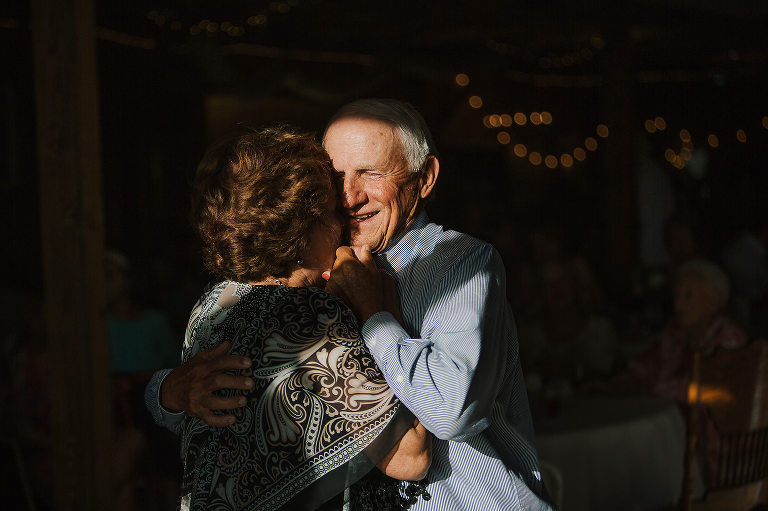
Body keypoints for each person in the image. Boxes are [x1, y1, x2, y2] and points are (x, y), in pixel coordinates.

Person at [146, 100, 551, 510]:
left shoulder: (460, 263)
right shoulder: (300, 282)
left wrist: (375, 317)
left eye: (371, 174)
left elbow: (452, 413)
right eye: (334, 177)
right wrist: (168, 390)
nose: (349, 197)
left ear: (425, 177)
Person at [172, 126, 431, 511]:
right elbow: (412, 457)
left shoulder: (212, 303)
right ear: (301, 229)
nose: (344, 224)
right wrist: (379, 311)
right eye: (331, 213)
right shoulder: (307, 315)